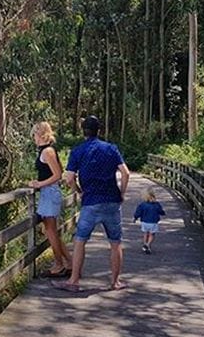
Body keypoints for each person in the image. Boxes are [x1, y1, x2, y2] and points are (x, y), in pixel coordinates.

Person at [52, 115, 130, 292]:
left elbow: (69, 177)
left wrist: (79, 191)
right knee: (116, 242)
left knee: (80, 241)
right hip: (112, 201)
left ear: (83, 131)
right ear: (99, 130)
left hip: (90, 202)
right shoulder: (111, 149)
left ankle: (73, 281)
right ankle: (115, 282)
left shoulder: (78, 151)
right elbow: (125, 174)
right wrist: (122, 193)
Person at [28, 122, 72, 277]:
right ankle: (69, 262)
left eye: (34, 134)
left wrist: (39, 183)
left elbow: (57, 175)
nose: (33, 138)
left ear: (39, 134)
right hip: (48, 193)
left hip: (50, 193)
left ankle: (59, 264)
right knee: (51, 231)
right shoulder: (46, 151)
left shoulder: (47, 151)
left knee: (51, 231)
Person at [134, 187, 165, 254]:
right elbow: (160, 211)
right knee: (151, 234)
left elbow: (138, 212)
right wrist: (163, 213)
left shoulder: (142, 205)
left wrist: (135, 217)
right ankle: (148, 244)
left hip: (144, 222)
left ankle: (145, 244)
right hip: (153, 222)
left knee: (145, 233)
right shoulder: (156, 204)